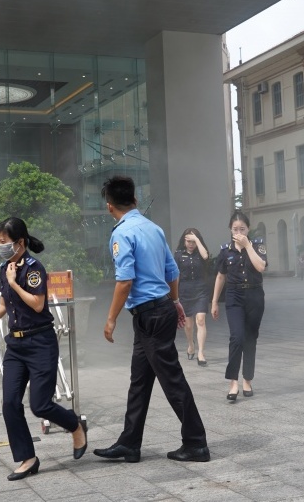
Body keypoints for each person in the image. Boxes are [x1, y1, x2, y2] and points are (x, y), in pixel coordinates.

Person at [94, 176, 210, 463]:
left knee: (172, 380)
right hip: (159, 311)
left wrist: (110, 319)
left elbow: (125, 281)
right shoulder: (154, 229)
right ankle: (130, 443)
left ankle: (196, 443)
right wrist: (175, 302)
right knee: (140, 381)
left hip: (149, 315)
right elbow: (172, 272)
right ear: (134, 200)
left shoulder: (122, 233)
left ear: (109, 206)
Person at [0, 217, 87, 480]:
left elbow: (37, 304)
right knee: (9, 403)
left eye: (3, 242)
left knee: (40, 405)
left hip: (40, 342)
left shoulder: (33, 269)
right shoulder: (4, 268)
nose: (0, 247)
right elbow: (2, 306)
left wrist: (14, 283)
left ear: (19, 242)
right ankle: (28, 458)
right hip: (16, 345)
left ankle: (75, 425)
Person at [210, 211, 268, 402]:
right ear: (230, 230)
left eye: (242, 228)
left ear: (248, 229)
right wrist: (214, 302)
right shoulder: (226, 250)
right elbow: (220, 276)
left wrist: (247, 246)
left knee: (251, 338)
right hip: (234, 296)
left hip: (255, 295)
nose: (239, 232)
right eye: (235, 229)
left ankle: (247, 380)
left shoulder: (257, 245)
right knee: (237, 337)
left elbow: (261, 267)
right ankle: (233, 382)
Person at [174, 228, 211, 366]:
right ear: (184, 241)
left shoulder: (200, 253)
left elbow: (206, 256)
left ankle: (201, 352)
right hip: (185, 291)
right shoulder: (178, 255)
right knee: (188, 325)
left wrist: (197, 240)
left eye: (193, 241)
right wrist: (174, 295)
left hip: (200, 290)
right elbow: (176, 276)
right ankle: (191, 344)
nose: (191, 244)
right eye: (188, 241)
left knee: (200, 320)